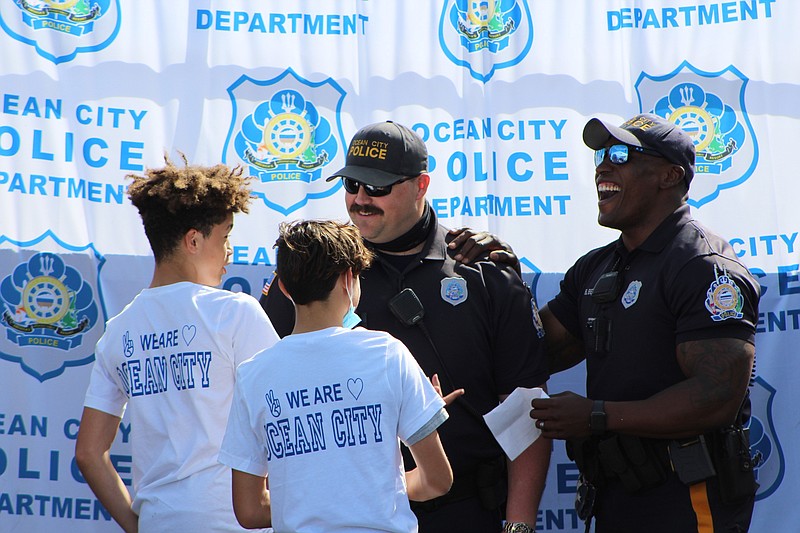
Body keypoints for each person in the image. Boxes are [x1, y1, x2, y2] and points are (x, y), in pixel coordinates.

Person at [260, 121, 550, 533]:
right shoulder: (316, 271)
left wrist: (519, 526)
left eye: (377, 187)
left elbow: (524, 410)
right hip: (352, 517)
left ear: (421, 185)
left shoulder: (483, 272)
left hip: (465, 509)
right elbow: (269, 396)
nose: (360, 200)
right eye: (352, 185)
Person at [530, 114, 760, 532]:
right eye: (601, 155)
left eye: (621, 155)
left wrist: (597, 416)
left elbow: (717, 394)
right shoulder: (595, 267)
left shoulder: (702, 265)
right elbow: (535, 350)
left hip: (689, 498)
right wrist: (496, 281)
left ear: (669, 176)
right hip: (618, 494)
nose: (603, 166)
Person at [75, 157, 279, 533]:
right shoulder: (234, 313)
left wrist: (137, 526)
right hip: (237, 523)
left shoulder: (119, 331)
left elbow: (88, 453)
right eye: (226, 236)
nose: (230, 251)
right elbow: (285, 417)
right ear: (194, 240)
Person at [219, 219, 453, 531]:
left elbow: (249, 510)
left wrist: (317, 501)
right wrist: (375, 491)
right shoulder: (386, 354)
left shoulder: (253, 375)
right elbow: (437, 480)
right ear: (348, 279)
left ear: (284, 288)